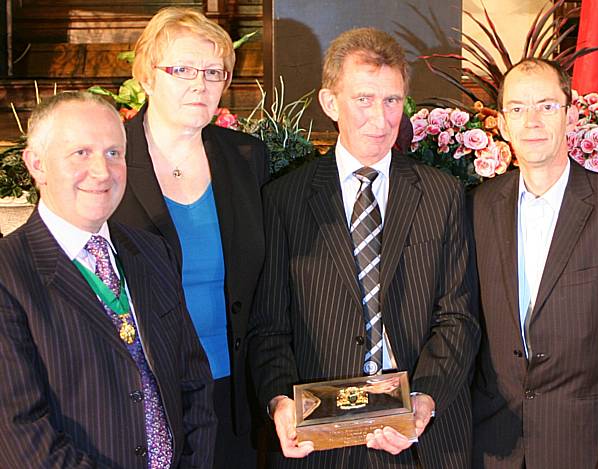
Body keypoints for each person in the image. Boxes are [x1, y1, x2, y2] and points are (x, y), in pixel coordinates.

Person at [248, 27, 479, 468]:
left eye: (392, 100)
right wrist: (280, 401)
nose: (381, 118)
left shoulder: (442, 193)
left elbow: (459, 316)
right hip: (320, 446)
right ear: (330, 103)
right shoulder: (284, 199)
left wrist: (424, 399)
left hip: (422, 442)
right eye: (364, 99)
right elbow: (270, 327)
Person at [0, 91, 216, 468]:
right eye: (81, 153)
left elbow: (193, 381)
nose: (102, 172)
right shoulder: (9, 273)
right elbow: (22, 432)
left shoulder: (150, 252)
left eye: (114, 153)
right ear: (37, 164)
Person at [110, 7, 269, 466]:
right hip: (138, 392)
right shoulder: (111, 156)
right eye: (181, 69)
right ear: (148, 76)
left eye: (213, 71)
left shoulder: (246, 158)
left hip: (230, 389)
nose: (199, 83)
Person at [470, 58, 598, 468]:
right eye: (517, 108)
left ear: (572, 115)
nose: (532, 121)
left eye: (547, 106)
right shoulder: (476, 207)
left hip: (584, 447)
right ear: (503, 124)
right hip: (492, 448)